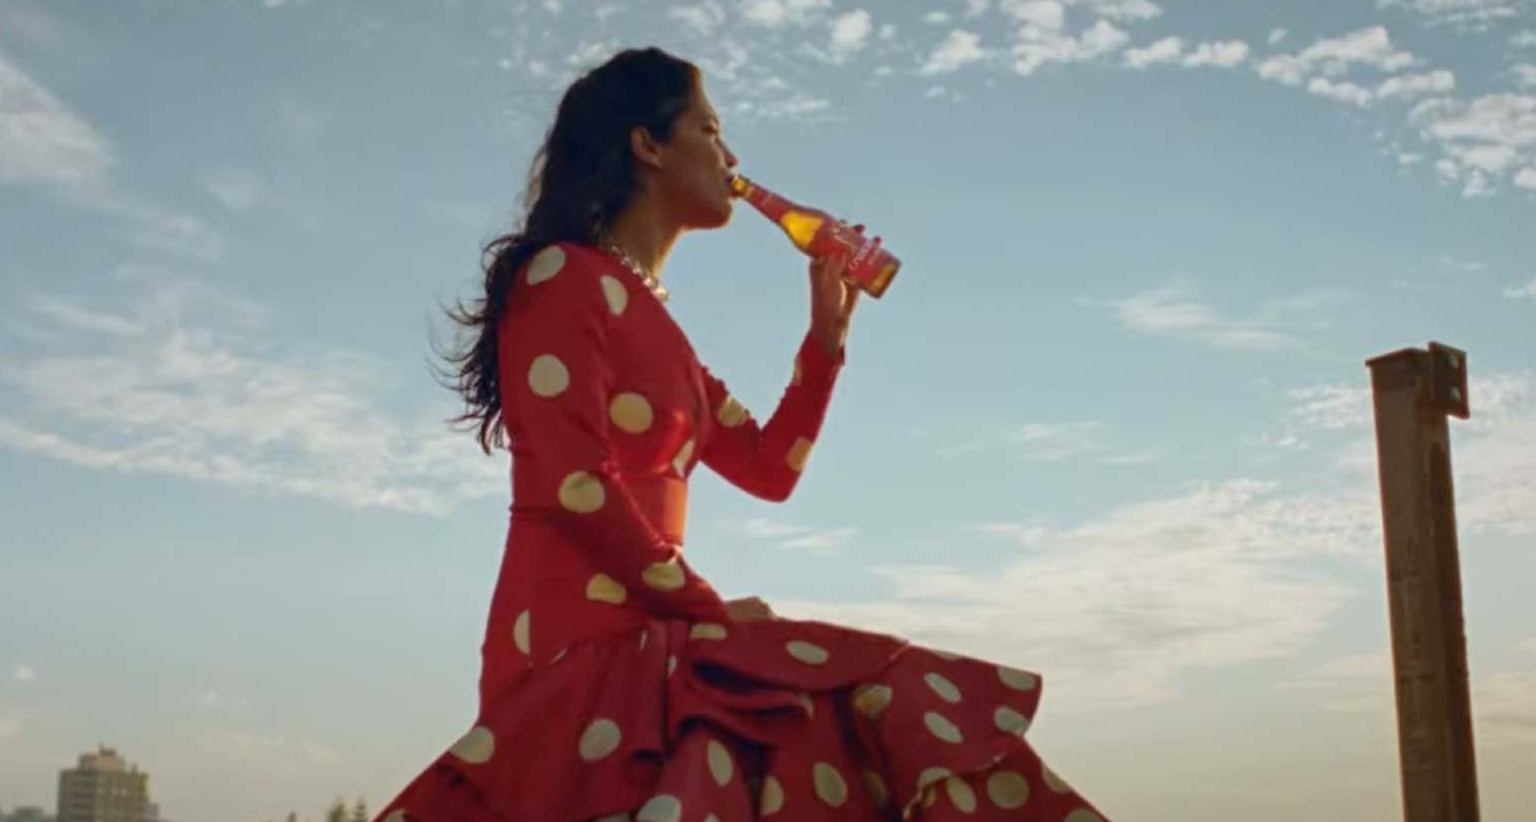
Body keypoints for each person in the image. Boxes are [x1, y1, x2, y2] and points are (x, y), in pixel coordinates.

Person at [375, 46, 1111, 822]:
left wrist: (825, 339)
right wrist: (715, 616)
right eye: (711, 128)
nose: (730, 157)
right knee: (851, 691)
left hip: (658, 642)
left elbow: (770, 468)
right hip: (577, 651)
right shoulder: (560, 276)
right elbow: (575, 487)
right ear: (648, 145)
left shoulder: (664, 335)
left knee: (856, 703)